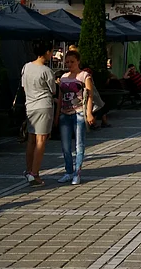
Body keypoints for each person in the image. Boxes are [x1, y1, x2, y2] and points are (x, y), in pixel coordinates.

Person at [22, 40, 57, 187]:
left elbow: (24, 87)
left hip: (30, 105)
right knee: (41, 140)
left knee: (31, 139)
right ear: (47, 52)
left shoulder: (26, 67)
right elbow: (53, 90)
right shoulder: (46, 71)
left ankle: (29, 169)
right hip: (43, 105)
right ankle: (34, 174)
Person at [57, 51, 94, 185]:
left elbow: (90, 96)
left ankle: (77, 172)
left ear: (78, 61)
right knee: (65, 147)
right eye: (67, 62)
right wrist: (57, 116)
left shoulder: (85, 76)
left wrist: (89, 113)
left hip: (78, 112)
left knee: (79, 145)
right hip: (64, 114)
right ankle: (68, 171)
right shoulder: (63, 77)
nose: (69, 64)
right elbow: (60, 98)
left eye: (72, 61)